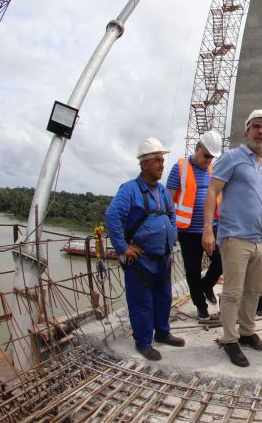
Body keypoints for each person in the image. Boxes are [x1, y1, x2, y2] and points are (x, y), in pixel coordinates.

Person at [202, 109, 262, 367]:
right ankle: (230, 340)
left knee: (254, 290)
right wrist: (208, 229)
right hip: (234, 236)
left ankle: (247, 333)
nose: (260, 131)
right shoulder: (232, 158)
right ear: (247, 131)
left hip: (259, 239)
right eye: (256, 126)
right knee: (232, 292)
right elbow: (212, 191)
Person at [105, 137, 184, 360]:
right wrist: (123, 248)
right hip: (141, 261)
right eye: (157, 160)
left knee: (163, 298)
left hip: (163, 259)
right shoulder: (130, 190)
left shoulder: (162, 191)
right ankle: (143, 342)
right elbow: (112, 215)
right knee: (142, 303)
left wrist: (172, 233)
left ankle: (163, 333)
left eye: (162, 160)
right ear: (144, 164)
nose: (162, 164)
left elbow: (171, 213)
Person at [167, 130, 223, 322]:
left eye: (212, 157)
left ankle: (207, 285)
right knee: (192, 270)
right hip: (187, 231)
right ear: (197, 148)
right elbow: (169, 201)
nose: (208, 160)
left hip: (211, 226)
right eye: (206, 155)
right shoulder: (179, 168)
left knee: (220, 260)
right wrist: (171, 228)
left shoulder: (213, 169)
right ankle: (201, 305)